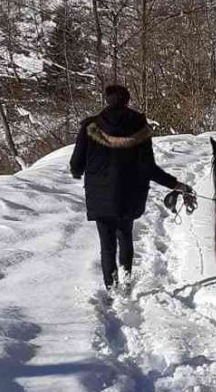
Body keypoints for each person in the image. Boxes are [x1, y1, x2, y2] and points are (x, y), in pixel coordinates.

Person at [70, 84, 194, 289]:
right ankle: (126, 280)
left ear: (107, 100)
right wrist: (175, 184)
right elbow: (149, 167)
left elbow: (76, 164)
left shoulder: (90, 126)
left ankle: (111, 287)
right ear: (127, 101)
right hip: (130, 195)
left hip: (99, 195)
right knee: (125, 236)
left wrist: (77, 173)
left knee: (107, 245)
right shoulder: (139, 125)